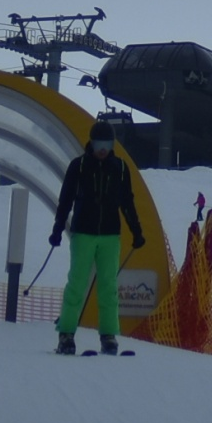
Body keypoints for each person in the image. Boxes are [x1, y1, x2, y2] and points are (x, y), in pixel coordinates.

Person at [49, 121, 144, 356]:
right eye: (99, 144)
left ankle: (108, 335)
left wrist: (136, 231)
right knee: (77, 283)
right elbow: (65, 200)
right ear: (91, 143)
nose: (102, 149)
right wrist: (58, 229)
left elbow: (127, 202)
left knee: (109, 286)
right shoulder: (79, 166)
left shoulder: (120, 168)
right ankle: (66, 334)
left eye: (107, 144)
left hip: (110, 235)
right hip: (83, 233)